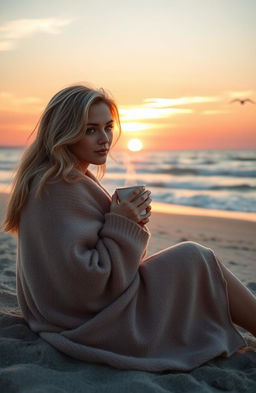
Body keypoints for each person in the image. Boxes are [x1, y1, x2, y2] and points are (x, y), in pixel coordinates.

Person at [2, 84, 256, 372]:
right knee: (196, 257)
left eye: (108, 128)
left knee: (194, 259)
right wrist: (121, 223)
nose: (105, 139)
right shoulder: (58, 186)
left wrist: (127, 221)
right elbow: (89, 284)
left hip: (74, 315)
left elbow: (89, 262)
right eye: (90, 130)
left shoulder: (61, 178)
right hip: (93, 321)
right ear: (64, 132)